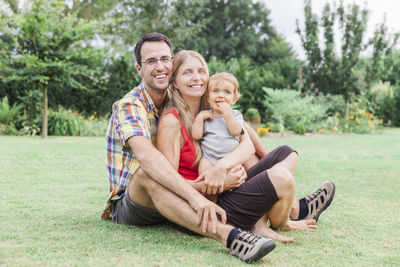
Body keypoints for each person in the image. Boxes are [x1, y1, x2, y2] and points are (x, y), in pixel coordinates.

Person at [102, 32, 277, 264]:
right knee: (148, 172)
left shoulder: (175, 97)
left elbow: (238, 126)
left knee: (235, 142)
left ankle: (286, 211)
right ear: (139, 68)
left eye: (165, 59)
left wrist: (266, 163)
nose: (160, 66)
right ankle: (231, 236)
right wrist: (197, 196)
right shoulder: (130, 105)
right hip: (134, 202)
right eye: (151, 61)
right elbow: (148, 158)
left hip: (174, 197)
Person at [156, 50, 336, 243]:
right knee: (281, 177)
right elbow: (168, 183)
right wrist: (217, 182)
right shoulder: (172, 122)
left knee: (287, 153)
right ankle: (283, 217)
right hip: (211, 206)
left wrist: (224, 167)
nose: (197, 77)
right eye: (187, 73)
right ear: (174, 82)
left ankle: (281, 212)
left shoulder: (210, 109)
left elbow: (246, 140)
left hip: (231, 187)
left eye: (201, 71)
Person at [192, 72, 258, 175]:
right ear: (208, 98)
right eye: (216, 91)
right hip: (209, 158)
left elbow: (236, 132)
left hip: (231, 158)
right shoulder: (205, 115)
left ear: (234, 99)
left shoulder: (235, 115)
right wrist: (199, 118)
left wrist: (227, 114)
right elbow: (196, 136)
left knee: (237, 174)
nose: (221, 96)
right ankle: (208, 187)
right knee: (203, 170)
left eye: (227, 92)